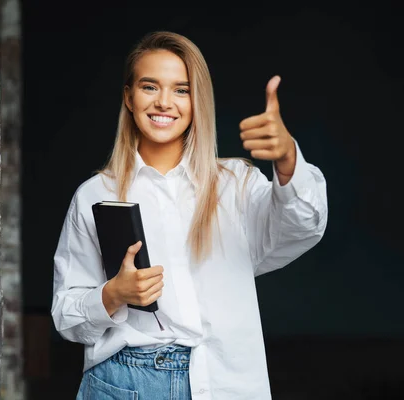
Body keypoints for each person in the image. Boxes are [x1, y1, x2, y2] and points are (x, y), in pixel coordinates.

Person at [51, 30, 328, 399]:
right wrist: (112, 294)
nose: (164, 102)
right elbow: (65, 315)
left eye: (181, 90)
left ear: (198, 102)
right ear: (129, 98)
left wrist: (288, 158)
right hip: (125, 382)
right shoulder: (94, 195)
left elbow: (303, 227)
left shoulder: (236, 185)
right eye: (150, 87)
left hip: (222, 380)